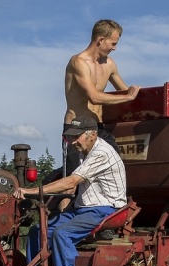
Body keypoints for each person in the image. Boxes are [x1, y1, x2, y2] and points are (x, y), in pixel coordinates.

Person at [13, 116, 127, 266]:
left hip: (105, 209)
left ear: (92, 135)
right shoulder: (85, 152)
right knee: (36, 231)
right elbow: (72, 186)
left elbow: (72, 181)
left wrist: (31, 191)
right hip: (83, 208)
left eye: (77, 137)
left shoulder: (102, 153)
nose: (73, 141)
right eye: (71, 137)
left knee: (62, 234)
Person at [60, 19, 140, 179]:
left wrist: (142, 97)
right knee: (73, 180)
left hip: (99, 128)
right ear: (101, 40)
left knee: (115, 169)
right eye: (113, 43)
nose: (114, 48)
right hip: (77, 128)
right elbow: (94, 97)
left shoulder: (109, 64)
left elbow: (124, 92)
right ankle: (66, 203)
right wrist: (128, 96)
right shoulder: (78, 62)